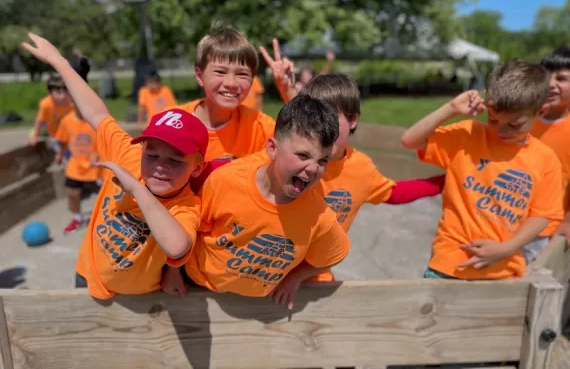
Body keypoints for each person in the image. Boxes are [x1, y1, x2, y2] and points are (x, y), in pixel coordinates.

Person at [21, 33, 208, 300]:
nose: (160, 167)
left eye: (176, 160)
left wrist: (137, 189)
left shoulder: (186, 206)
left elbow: (177, 246)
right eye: (152, 155)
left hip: (138, 297)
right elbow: (97, 114)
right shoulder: (129, 155)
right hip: (88, 273)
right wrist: (59, 62)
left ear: (197, 168)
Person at [162, 95, 351, 309]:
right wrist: (173, 272)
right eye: (303, 155)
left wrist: (296, 277)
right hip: (198, 286)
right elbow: (189, 231)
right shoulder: (225, 182)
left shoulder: (318, 215)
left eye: (322, 160)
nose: (313, 168)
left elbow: (335, 253)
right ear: (272, 148)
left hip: (258, 303)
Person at [401, 59, 564, 280]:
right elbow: (410, 141)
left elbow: (543, 214)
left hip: (504, 271)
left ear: (541, 111)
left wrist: (507, 248)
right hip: (449, 265)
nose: (501, 130)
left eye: (515, 124)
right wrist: (451, 109)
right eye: (493, 119)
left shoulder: (546, 160)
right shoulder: (467, 135)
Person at [296, 74, 445, 281]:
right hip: (274, 269)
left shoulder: (360, 167)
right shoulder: (292, 156)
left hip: (316, 273)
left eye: (331, 115)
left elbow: (394, 193)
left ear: (353, 119)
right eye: (314, 116)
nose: (322, 125)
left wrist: (446, 180)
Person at [175, 24, 275, 162]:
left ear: (252, 80)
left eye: (242, 74)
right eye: (220, 72)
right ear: (199, 75)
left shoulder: (262, 129)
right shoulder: (172, 123)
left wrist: (288, 91)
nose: (231, 83)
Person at [529, 47, 570, 249]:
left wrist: (567, 222)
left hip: (548, 230)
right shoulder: (523, 121)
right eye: (545, 77)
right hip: (508, 223)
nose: (551, 84)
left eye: (562, 79)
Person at [54, 108, 99, 234]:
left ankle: (111, 218)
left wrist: (100, 154)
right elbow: (63, 140)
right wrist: (60, 154)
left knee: (105, 195)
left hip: (96, 166)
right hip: (75, 164)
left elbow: (108, 139)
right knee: (72, 193)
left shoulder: (97, 119)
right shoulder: (67, 120)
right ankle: (77, 218)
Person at [28, 74, 73, 150]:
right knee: (33, 133)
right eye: (58, 92)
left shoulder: (73, 103)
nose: (63, 96)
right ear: (50, 92)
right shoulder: (46, 104)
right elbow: (39, 121)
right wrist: (35, 137)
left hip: (71, 136)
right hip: (54, 136)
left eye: (65, 91)